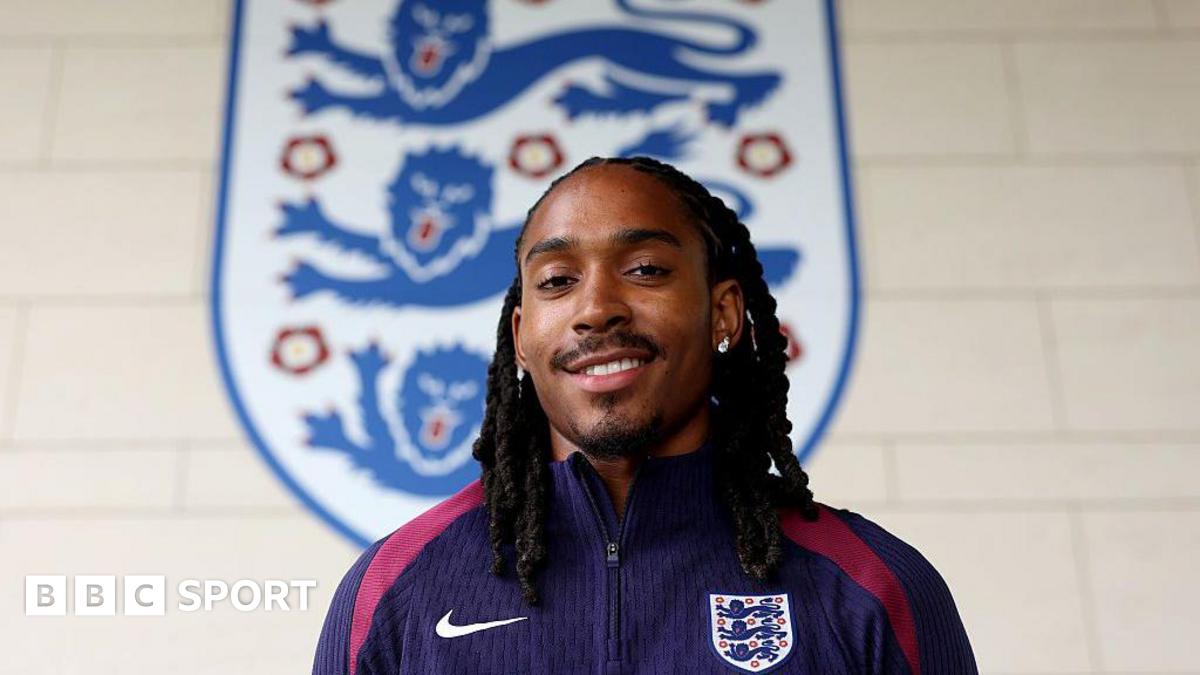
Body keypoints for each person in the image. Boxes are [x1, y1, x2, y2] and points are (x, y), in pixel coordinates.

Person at [312, 156, 978, 674]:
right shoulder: (395, 591)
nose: (596, 307)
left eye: (645, 268)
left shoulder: (871, 587)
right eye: (557, 280)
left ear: (722, 312)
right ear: (521, 334)